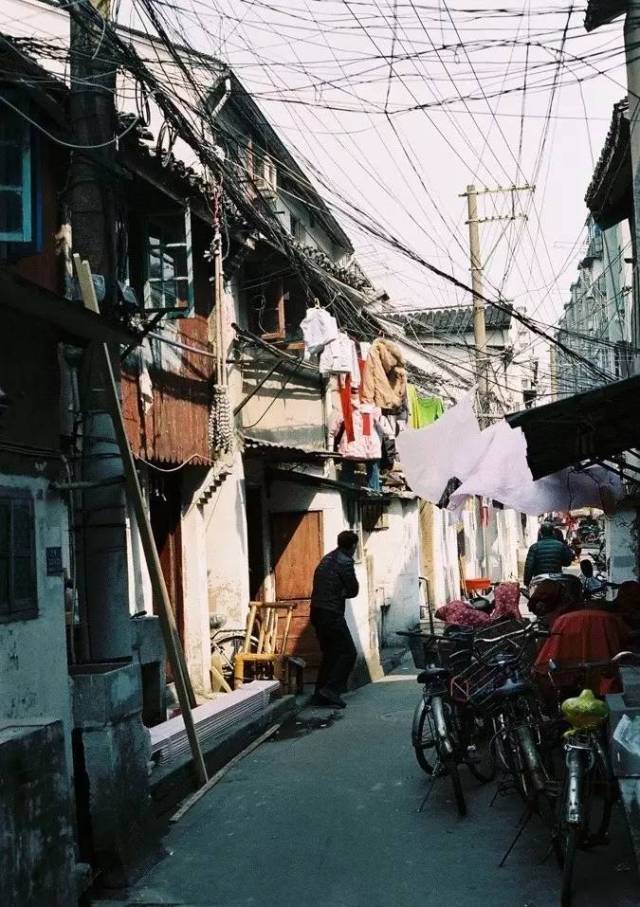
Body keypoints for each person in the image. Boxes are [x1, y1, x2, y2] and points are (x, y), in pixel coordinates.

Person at [310, 530, 359, 708]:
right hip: (331, 613)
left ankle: (319, 693)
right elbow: (353, 589)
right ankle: (331, 690)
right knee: (348, 652)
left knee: (330, 653)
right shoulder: (345, 561)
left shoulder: (326, 559)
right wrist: (342, 592)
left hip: (316, 612)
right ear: (353, 546)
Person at [523, 522, 575, 586]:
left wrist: (526, 583)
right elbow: (567, 563)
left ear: (540, 533)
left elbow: (529, 567)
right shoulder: (560, 545)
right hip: (556, 580)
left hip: (539, 581)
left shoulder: (534, 547)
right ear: (553, 532)